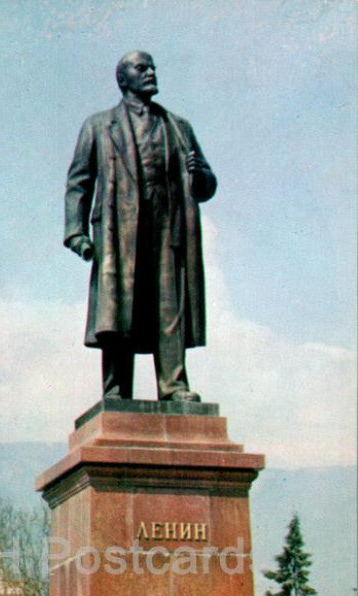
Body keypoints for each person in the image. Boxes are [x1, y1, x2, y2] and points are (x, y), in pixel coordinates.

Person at [65, 51, 217, 403]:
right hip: (118, 231)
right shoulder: (99, 125)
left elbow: (205, 188)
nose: (150, 72)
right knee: (119, 309)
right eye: (141, 67)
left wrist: (201, 175)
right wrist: (76, 232)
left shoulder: (178, 128)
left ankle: (173, 385)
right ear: (123, 79)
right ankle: (116, 389)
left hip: (168, 229)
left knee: (169, 307)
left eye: (152, 67)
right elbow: (79, 182)